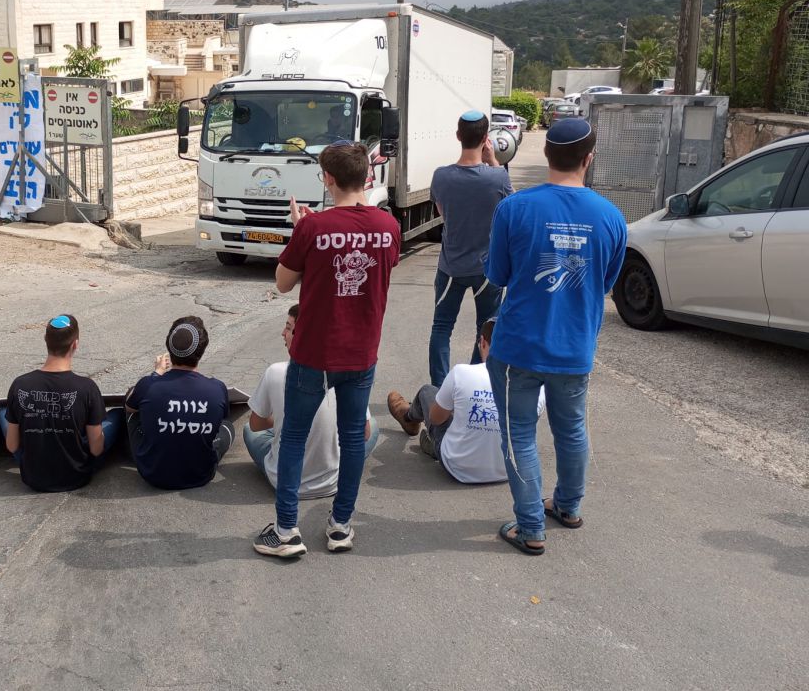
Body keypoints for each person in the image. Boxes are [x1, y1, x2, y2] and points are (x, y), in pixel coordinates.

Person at [484, 118, 627, 555]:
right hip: (575, 347)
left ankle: (530, 526)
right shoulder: (612, 217)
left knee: (520, 435)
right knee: (572, 429)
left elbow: (498, 275)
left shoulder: (514, 208)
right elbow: (604, 285)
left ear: (545, 155)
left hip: (518, 347)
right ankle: (567, 505)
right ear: (590, 158)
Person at [253, 141, 400, 558]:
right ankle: (340, 526)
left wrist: (300, 229)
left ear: (328, 178)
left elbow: (283, 283)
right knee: (353, 438)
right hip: (361, 352)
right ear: (367, 176)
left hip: (313, 352)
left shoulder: (312, 228)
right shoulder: (388, 226)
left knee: (294, 437)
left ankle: (285, 531)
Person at [245, 304, 378, 498]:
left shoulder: (276, 372)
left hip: (283, 479)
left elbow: (255, 425)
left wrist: (281, 419)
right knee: (371, 425)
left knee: (249, 431)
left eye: (289, 328)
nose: (283, 333)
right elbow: (364, 432)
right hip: (333, 480)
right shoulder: (349, 371)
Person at [388, 318, 545, 484]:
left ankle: (408, 417)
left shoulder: (461, 373)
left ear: (482, 342)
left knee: (428, 391)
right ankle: (429, 438)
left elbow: (435, 419)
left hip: (457, 466)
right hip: (510, 470)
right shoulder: (537, 384)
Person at [427, 110, 512, 387]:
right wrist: (494, 162)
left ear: (457, 136)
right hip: (488, 269)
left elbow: (443, 213)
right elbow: (508, 210)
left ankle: (441, 390)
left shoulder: (441, 176)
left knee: (442, 328)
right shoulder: (498, 178)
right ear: (486, 139)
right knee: (484, 330)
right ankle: (473, 385)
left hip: (450, 266)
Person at [2, 316, 123, 493]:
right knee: (117, 415)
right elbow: (96, 450)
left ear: (45, 341)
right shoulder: (87, 387)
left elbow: (12, 446)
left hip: (33, 477)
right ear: (75, 344)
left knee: (5, 411)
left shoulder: (20, 384)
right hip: (76, 476)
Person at [125, 316, 232, 491]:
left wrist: (156, 373)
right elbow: (222, 417)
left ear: (169, 347)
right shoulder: (217, 388)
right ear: (202, 350)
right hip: (201, 475)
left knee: (135, 409)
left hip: (152, 473)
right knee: (227, 424)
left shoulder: (148, 384)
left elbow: (129, 406)